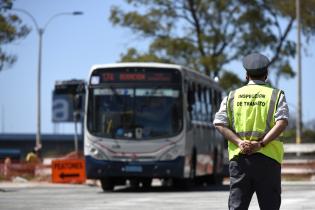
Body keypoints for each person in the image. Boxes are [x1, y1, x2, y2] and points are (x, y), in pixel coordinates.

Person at [213, 53, 289, 210]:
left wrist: (239, 142)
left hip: (239, 160)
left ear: (246, 74)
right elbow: (282, 122)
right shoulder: (276, 96)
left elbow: (219, 123)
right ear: (266, 74)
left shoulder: (232, 96)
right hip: (268, 160)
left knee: (237, 206)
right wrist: (260, 144)